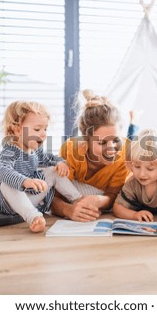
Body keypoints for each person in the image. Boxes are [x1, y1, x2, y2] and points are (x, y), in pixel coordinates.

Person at [0, 100, 93, 233]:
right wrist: (25, 181)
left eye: (45, 129)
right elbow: (3, 171)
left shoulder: (35, 150)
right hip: (4, 202)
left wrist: (60, 163)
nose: (43, 134)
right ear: (18, 130)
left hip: (26, 199)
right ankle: (34, 217)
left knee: (52, 171)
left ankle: (78, 199)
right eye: (37, 129)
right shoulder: (10, 151)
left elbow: (51, 158)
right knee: (6, 183)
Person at [50, 89, 130, 222]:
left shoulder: (125, 153)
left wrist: (99, 200)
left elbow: (113, 195)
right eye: (102, 142)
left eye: (116, 140)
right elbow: (54, 196)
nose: (111, 148)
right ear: (86, 141)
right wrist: (68, 210)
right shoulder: (71, 150)